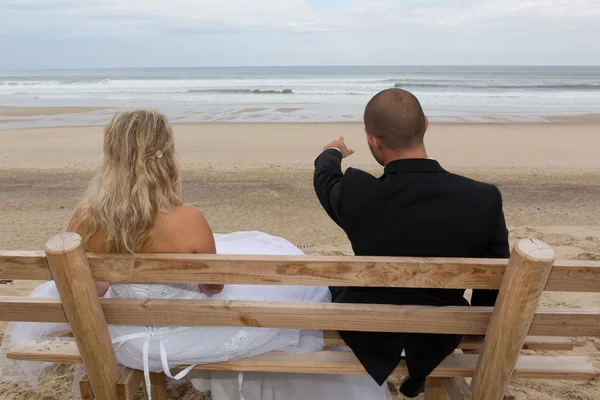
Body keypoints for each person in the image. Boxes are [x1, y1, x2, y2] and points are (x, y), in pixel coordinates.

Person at [0, 110, 391, 400]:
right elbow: (212, 285)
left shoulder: (85, 218)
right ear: (166, 156)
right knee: (286, 294)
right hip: (185, 339)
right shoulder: (188, 220)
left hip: (127, 341)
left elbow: (94, 289)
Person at [313, 88, 509, 397]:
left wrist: (332, 151)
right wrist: (476, 329)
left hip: (370, 335)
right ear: (426, 124)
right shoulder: (483, 199)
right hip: (440, 337)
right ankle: (419, 373)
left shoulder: (358, 195)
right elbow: (494, 277)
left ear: (372, 140)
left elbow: (326, 180)